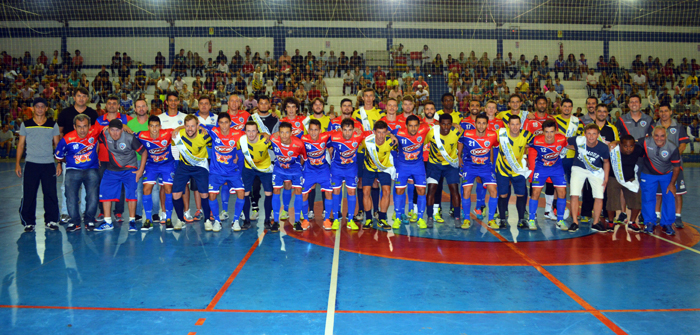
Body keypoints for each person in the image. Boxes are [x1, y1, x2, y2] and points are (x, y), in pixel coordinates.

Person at [16, 98, 61, 232]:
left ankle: (51, 220)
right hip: (31, 164)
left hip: (48, 164)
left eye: (42, 106)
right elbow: (20, 145)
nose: (40, 109)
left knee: (50, 193)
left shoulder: (53, 125)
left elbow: (57, 146)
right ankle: (28, 222)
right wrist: (17, 164)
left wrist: (59, 163)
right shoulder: (26, 124)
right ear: (33, 108)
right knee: (29, 194)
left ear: (46, 109)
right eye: (37, 106)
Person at [95, 119, 146, 232]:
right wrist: (96, 157)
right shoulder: (104, 134)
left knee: (132, 193)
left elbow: (144, 152)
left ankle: (132, 221)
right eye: (112, 130)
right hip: (112, 169)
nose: (115, 133)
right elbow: (96, 141)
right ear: (108, 129)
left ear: (122, 130)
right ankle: (108, 222)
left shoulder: (129, 138)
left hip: (129, 169)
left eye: (118, 130)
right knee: (104, 190)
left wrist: (140, 170)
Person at [56, 87, 98, 223]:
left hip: (88, 158)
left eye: (84, 96)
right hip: (70, 158)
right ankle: (65, 213)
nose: (81, 98)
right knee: (66, 188)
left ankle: (87, 213)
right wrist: (61, 154)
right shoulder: (65, 113)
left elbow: (96, 135)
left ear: (87, 98)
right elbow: (59, 133)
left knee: (89, 190)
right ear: (74, 97)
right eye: (79, 96)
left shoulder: (92, 113)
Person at [630, 127, 680, 236]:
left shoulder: (672, 147)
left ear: (666, 136)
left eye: (662, 136)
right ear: (652, 135)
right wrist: (615, 142)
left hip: (667, 174)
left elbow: (676, 167)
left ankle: (667, 223)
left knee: (669, 198)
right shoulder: (645, 141)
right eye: (656, 135)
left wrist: (672, 184)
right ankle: (649, 222)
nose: (659, 138)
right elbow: (630, 142)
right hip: (648, 174)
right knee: (648, 198)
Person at [202, 112, 246, 231]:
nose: (224, 125)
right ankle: (217, 221)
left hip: (233, 170)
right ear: (218, 124)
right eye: (221, 122)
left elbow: (252, 134)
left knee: (241, 192)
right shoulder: (214, 131)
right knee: (211, 195)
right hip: (216, 171)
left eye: (226, 122)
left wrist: (264, 134)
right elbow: (196, 124)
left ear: (230, 123)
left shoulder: (238, 133)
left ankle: (236, 220)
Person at [566, 123, 610, 233]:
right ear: (584, 134)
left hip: (595, 170)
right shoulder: (578, 140)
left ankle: (595, 222)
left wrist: (606, 178)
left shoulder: (603, 147)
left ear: (598, 135)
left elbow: (606, 162)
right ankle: (575, 222)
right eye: (589, 133)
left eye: (594, 134)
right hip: (578, 168)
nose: (591, 136)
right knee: (574, 194)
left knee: (599, 196)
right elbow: (564, 141)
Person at [457, 113, 499, 229]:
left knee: (494, 191)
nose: (481, 126)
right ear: (475, 124)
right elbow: (460, 142)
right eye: (479, 123)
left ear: (487, 124)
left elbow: (492, 146)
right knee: (466, 191)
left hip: (485, 167)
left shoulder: (493, 135)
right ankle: (466, 219)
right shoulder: (467, 134)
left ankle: (491, 220)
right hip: (469, 166)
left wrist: (491, 162)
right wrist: (459, 156)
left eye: (483, 123)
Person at [170, 115, 212, 231]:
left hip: (200, 166)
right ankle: (180, 219)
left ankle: (207, 220)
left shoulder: (204, 136)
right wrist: (177, 129)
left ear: (197, 126)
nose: (190, 129)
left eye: (193, 126)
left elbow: (213, 145)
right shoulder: (178, 134)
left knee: (204, 194)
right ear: (184, 126)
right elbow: (171, 144)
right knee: (176, 194)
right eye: (187, 126)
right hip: (184, 166)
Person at [327, 118, 370, 230]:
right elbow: (320, 138)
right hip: (336, 168)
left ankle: (350, 220)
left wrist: (392, 135)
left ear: (353, 130)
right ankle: (336, 219)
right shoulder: (334, 136)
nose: (347, 133)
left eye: (350, 130)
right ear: (341, 129)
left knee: (351, 192)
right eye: (345, 130)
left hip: (351, 169)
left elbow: (376, 132)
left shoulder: (358, 135)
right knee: (336, 191)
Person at [135, 116, 176, 230]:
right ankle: (148, 219)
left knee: (168, 189)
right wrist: (122, 126)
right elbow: (129, 132)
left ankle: (168, 219)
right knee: (146, 189)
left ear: (160, 126)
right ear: (148, 127)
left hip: (167, 165)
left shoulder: (167, 133)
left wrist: (180, 128)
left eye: (156, 126)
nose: (154, 128)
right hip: (151, 165)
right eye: (152, 126)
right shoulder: (142, 135)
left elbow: (183, 129)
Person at [527, 119, 569, 230]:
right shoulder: (536, 140)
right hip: (541, 168)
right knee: (535, 192)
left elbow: (572, 145)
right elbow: (523, 144)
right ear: (542, 131)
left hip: (557, 168)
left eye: (551, 132)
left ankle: (560, 220)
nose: (549, 135)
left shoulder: (562, 139)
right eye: (546, 132)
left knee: (562, 192)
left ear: (556, 131)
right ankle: (531, 219)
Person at [652, 103, 689, 228]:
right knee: (658, 193)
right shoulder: (653, 126)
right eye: (661, 111)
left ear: (671, 112)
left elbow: (683, 145)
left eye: (666, 111)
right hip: (658, 166)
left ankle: (677, 216)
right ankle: (657, 215)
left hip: (675, 166)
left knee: (678, 192)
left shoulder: (678, 127)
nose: (663, 113)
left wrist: (671, 158)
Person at [494, 115, 534, 229]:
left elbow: (538, 141)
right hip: (503, 170)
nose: (515, 127)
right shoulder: (501, 133)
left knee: (521, 195)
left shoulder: (526, 134)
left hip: (518, 170)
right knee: (503, 195)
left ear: (520, 125)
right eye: (512, 124)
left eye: (517, 124)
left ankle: (521, 219)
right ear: (508, 125)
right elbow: (487, 138)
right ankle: (502, 219)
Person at [352, 88, 385, 222]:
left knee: (375, 182)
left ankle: (376, 210)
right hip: (361, 151)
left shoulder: (380, 113)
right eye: (366, 96)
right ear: (363, 98)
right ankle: (361, 210)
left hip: (376, 152)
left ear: (374, 98)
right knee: (360, 181)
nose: (369, 98)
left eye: (371, 96)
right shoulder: (356, 113)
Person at [425, 113, 464, 227]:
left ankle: (457, 217)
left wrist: (459, 155)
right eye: (443, 124)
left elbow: (461, 141)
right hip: (434, 165)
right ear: (439, 124)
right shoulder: (432, 132)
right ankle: (430, 216)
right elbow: (422, 143)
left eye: (448, 124)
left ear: (451, 124)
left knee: (454, 190)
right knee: (431, 189)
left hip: (450, 165)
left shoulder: (457, 132)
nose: (446, 127)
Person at [269, 122, 307, 231]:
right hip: (279, 168)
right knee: (276, 191)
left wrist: (296, 167)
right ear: (278, 133)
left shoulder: (299, 144)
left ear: (291, 133)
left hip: (295, 169)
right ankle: (276, 221)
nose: (284, 135)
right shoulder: (274, 139)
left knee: (298, 191)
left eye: (287, 132)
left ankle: (296, 222)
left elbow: (303, 158)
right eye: (282, 132)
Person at [238, 121, 274, 231]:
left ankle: (267, 220)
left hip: (265, 168)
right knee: (245, 193)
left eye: (253, 131)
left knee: (268, 193)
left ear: (257, 131)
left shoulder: (265, 140)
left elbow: (278, 147)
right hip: (249, 169)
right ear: (245, 132)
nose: (251, 134)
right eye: (248, 131)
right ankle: (247, 221)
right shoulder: (241, 141)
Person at [360, 120, 395, 230]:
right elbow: (359, 151)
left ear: (387, 132)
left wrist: (393, 136)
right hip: (369, 168)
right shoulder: (367, 142)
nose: (381, 136)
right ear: (374, 132)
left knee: (387, 191)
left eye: (384, 132)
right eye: (379, 132)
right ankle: (369, 218)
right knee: (365, 191)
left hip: (384, 168)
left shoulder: (391, 142)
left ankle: (382, 218)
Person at [301, 119, 334, 229]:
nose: (314, 132)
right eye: (311, 130)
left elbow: (338, 133)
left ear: (320, 130)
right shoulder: (303, 139)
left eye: (316, 130)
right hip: (309, 170)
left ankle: (327, 220)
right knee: (304, 194)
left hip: (323, 170)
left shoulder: (325, 137)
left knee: (329, 192)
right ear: (308, 130)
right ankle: (305, 219)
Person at [605, 135, 643, 232]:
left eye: (631, 146)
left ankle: (632, 222)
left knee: (637, 198)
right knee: (611, 200)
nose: (628, 149)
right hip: (614, 178)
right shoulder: (613, 150)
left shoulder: (638, 150)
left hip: (630, 178)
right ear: (620, 145)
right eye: (625, 146)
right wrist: (616, 142)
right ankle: (610, 221)